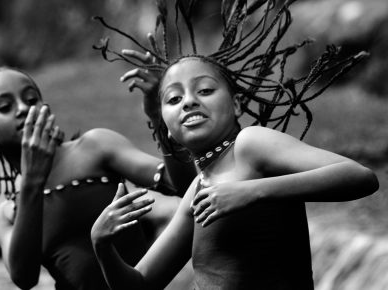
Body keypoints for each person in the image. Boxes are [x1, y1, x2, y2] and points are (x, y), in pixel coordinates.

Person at [90, 1, 379, 289]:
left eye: (204, 90)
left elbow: (360, 177)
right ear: (165, 124)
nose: (189, 101)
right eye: (174, 99)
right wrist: (102, 245)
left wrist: (250, 191)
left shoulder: (250, 144)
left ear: (237, 104)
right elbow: (138, 285)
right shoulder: (198, 187)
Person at [0, 65, 196, 290]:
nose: (23, 109)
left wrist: (159, 115)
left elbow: (183, 185)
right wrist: (32, 181)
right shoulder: (5, 215)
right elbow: (25, 278)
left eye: (31, 99)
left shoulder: (94, 148)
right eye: (5, 107)